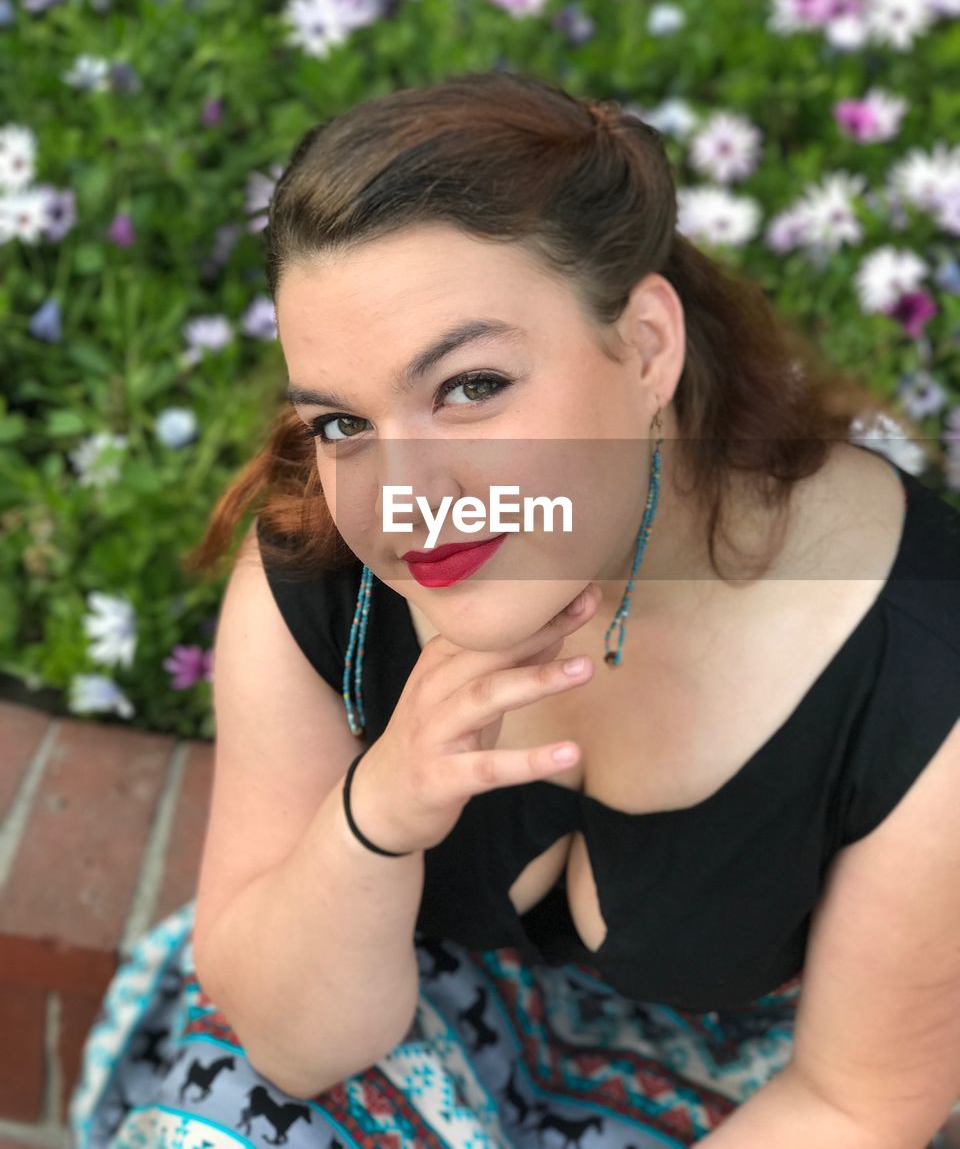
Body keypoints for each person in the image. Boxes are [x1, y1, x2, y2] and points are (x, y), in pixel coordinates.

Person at [68, 69, 960, 1148]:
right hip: (381, 1022)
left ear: (644, 347)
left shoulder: (919, 671)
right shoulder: (324, 583)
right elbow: (294, 1045)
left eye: (472, 386)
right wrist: (376, 816)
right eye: (345, 420)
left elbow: (854, 1101)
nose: (409, 498)